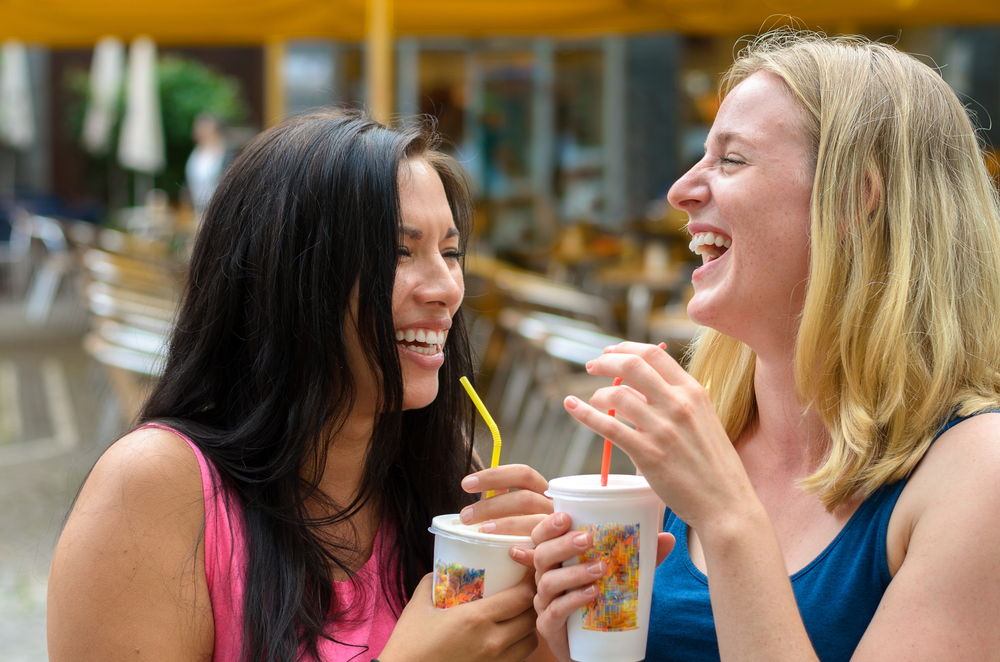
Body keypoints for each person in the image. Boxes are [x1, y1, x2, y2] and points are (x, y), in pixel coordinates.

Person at [528, 30, 1000, 662]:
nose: (681, 191)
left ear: (855, 197)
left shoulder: (977, 474)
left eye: (731, 160)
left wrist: (727, 519)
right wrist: (560, 643)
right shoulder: (706, 434)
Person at [47, 108, 553, 662]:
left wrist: (552, 625)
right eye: (398, 252)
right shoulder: (155, 489)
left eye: (450, 253)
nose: (446, 289)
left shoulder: (445, 467)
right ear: (290, 277)